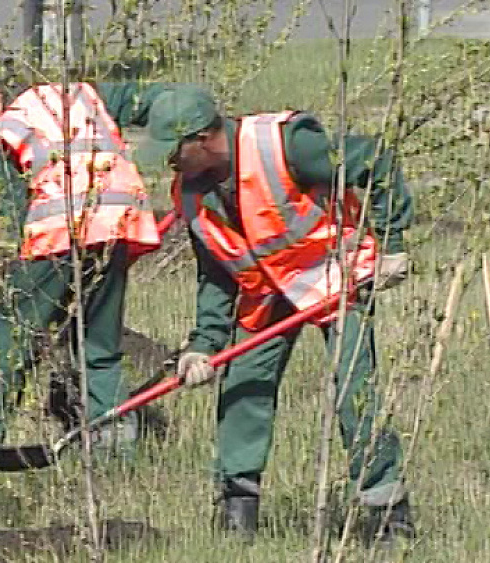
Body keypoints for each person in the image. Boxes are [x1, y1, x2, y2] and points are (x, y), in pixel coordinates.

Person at [136, 87, 416, 542]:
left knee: (354, 391)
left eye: (174, 151)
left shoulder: (285, 145)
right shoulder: (191, 192)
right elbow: (216, 273)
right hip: (268, 292)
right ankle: (237, 516)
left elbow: (376, 160)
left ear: (203, 139)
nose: (169, 162)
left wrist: (392, 243)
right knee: (242, 386)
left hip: (335, 274)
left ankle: (389, 515)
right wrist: (203, 345)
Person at [0, 56, 187, 460]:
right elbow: (147, 99)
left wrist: (34, 285)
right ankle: (116, 448)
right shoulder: (82, 95)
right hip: (119, 223)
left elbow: (15, 213)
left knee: (9, 334)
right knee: (98, 340)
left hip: (58, 232)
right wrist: (190, 114)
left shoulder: (5, 132)